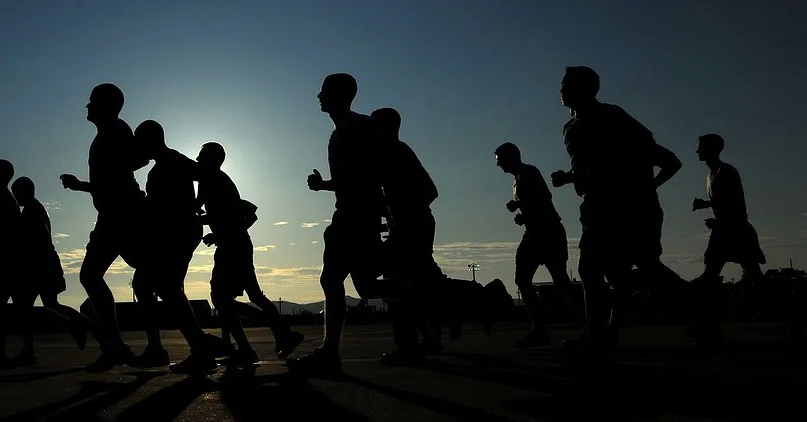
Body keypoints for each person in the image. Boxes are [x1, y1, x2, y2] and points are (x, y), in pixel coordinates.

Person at [288, 73, 385, 378]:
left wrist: (378, 207)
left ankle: (329, 354)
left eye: (324, 91)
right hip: (356, 214)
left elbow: (367, 175)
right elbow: (355, 177)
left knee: (333, 280)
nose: (319, 96)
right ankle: (448, 296)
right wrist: (324, 185)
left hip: (355, 216)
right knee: (365, 286)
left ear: (341, 95)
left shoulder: (355, 128)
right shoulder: (347, 130)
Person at [59, 83, 150, 372]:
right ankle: (119, 345)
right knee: (106, 276)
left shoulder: (115, 131)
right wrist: (82, 186)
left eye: (92, 101)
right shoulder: (109, 133)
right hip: (114, 216)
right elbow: (113, 178)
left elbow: (134, 162)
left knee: (143, 277)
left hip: (121, 216)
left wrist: (89, 186)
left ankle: (123, 344)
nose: (87, 106)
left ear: (106, 105)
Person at [130, 120, 232, 375]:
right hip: (175, 232)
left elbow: (206, 174)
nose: (137, 147)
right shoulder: (163, 165)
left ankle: (196, 347)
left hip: (177, 233)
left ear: (149, 140)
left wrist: (199, 205)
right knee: (159, 287)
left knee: (158, 286)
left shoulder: (172, 161)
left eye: (139, 141)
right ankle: (193, 346)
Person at [196, 142, 304, 367]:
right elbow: (239, 214)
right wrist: (220, 232)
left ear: (212, 160)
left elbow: (235, 213)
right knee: (250, 295)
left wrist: (218, 231)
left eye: (201, 156)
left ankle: (253, 344)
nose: (197, 159)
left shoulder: (213, 180)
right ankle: (280, 333)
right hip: (236, 244)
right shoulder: (216, 181)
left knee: (222, 298)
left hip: (232, 247)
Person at [371, 107, 444, 366]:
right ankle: (428, 336)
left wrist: (403, 216)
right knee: (416, 283)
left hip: (413, 226)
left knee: (395, 282)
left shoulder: (397, 152)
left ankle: (408, 345)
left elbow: (430, 191)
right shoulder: (391, 154)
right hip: (412, 225)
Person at [495, 142, 583, 347]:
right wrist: (522, 211)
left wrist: (521, 208)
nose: (498, 165)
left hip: (547, 232)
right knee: (526, 279)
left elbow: (543, 197)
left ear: (511, 157)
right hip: (535, 233)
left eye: (500, 160)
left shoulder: (529, 172)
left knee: (559, 281)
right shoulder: (518, 179)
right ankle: (540, 329)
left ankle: (590, 325)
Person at [690, 133, 766, 348]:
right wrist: (711, 212)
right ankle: (708, 329)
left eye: (701, 146)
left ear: (713, 149)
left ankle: (707, 329)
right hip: (724, 231)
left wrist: (709, 209)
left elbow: (735, 203)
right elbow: (725, 202)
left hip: (736, 232)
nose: (697, 150)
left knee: (755, 280)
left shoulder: (727, 171)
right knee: (711, 278)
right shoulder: (712, 175)